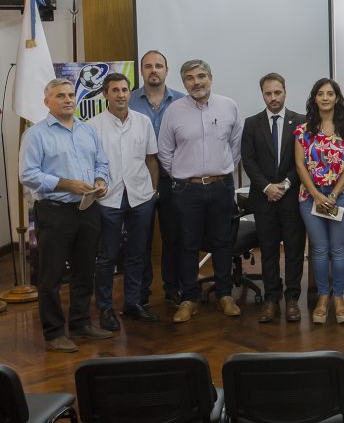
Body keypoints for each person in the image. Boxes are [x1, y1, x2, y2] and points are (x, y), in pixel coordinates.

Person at [20, 78, 112, 352]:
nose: (68, 99)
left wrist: (101, 179)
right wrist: (65, 183)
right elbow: (28, 174)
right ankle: (54, 333)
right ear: (47, 102)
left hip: (87, 208)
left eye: (71, 94)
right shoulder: (36, 134)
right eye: (60, 95)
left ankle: (81, 323)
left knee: (85, 271)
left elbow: (102, 162)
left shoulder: (87, 130)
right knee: (51, 276)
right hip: (55, 211)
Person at [158, 59, 243, 323]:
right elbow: (165, 151)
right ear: (183, 83)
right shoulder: (173, 111)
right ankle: (189, 298)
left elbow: (235, 146)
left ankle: (225, 295)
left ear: (211, 78)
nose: (197, 82)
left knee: (222, 242)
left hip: (221, 186)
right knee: (187, 244)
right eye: (190, 78)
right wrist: (185, 175)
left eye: (201, 76)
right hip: (187, 190)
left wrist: (220, 170)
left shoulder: (229, 106)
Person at [90, 73, 160, 331]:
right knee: (106, 257)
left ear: (130, 93)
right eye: (115, 90)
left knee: (138, 254)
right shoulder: (92, 126)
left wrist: (153, 191)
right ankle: (106, 308)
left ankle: (133, 303)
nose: (120, 94)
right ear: (105, 94)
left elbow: (151, 159)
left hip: (141, 197)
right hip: (108, 199)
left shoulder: (143, 122)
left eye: (124, 90)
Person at [241, 73, 306, 323]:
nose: (273, 98)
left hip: (291, 198)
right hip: (264, 199)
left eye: (277, 92)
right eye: (268, 93)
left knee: (294, 250)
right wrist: (267, 186)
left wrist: (286, 183)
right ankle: (271, 298)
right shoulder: (251, 123)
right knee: (268, 251)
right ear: (263, 95)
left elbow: (301, 161)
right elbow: (249, 161)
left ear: (285, 92)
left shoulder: (300, 122)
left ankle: (291, 299)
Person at [294, 78, 344, 325]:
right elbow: (300, 165)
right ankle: (323, 297)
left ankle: (339, 298)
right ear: (314, 98)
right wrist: (318, 195)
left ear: (337, 98)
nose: (325, 97)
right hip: (310, 197)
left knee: (338, 249)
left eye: (330, 93)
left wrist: (331, 196)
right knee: (319, 250)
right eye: (320, 93)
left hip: (341, 196)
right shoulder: (302, 130)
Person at [129, 50, 184, 306]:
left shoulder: (182, 102)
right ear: (141, 71)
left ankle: (173, 290)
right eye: (148, 66)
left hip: (174, 181)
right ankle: (141, 294)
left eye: (159, 66)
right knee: (141, 239)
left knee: (173, 238)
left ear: (166, 70)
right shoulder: (127, 102)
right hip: (139, 180)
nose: (154, 70)